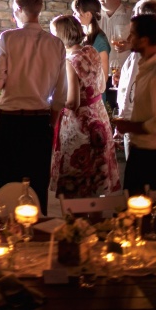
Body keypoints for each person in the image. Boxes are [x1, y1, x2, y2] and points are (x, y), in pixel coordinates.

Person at [0, 0, 66, 214]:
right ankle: (37, 236)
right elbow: (61, 94)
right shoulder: (56, 45)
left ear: (18, 9)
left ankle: (5, 236)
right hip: (39, 122)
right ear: (39, 9)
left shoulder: (7, 38)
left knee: (7, 184)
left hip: (9, 122)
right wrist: (50, 121)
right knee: (37, 186)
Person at [49, 14, 120, 198]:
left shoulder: (69, 61)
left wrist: (52, 101)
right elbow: (102, 85)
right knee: (97, 179)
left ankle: (77, 223)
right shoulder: (91, 51)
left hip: (80, 125)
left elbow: (72, 102)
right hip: (99, 116)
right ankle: (95, 221)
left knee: (78, 176)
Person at [115, 15, 156, 193]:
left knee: (142, 210)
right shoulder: (145, 66)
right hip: (144, 150)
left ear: (143, 40)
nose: (128, 39)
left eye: (132, 34)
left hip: (154, 155)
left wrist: (130, 126)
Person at [98, 0, 132, 114]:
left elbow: (141, 39)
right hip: (100, 72)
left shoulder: (130, 15)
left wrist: (130, 45)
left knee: (119, 108)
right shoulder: (95, 17)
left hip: (122, 71)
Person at [72, 0, 110, 83]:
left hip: (95, 94)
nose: (73, 15)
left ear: (88, 14)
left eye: (76, 12)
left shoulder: (100, 40)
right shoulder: (85, 36)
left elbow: (104, 77)